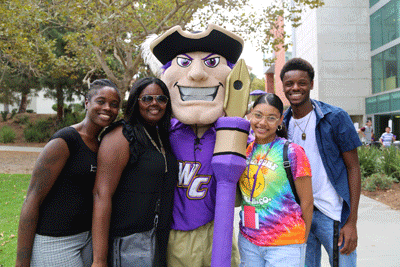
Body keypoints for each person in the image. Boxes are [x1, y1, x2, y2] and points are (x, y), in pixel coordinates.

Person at [146, 24, 250, 267]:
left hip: (218, 230)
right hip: (175, 235)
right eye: (183, 62)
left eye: (212, 62)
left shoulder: (233, 134)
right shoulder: (162, 135)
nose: (197, 73)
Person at [15, 79, 121, 267]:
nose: (107, 108)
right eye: (101, 101)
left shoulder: (103, 144)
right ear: (87, 102)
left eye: (114, 105)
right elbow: (32, 198)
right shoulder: (65, 141)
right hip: (55, 241)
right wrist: (21, 262)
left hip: (87, 239)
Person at [281, 58, 362, 267]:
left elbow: (353, 168)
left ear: (311, 84)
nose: (295, 88)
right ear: (283, 86)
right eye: (289, 84)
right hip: (300, 217)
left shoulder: (335, 117)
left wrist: (351, 221)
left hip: (333, 214)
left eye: (302, 82)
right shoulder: (282, 124)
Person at [91, 77, 178, 267]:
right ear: (136, 101)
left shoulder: (161, 135)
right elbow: (101, 194)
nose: (155, 103)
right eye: (147, 98)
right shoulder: (121, 135)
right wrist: (99, 260)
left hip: (159, 237)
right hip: (128, 242)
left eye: (161, 99)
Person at [238, 93, 313, 266]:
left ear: (280, 121)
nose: (262, 123)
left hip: (285, 244)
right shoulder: (245, 150)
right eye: (258, 115)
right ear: (250, 115)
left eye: (271, 118)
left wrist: (302, 239)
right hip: (249, 240)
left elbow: (307, 202)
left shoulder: (293, 152)